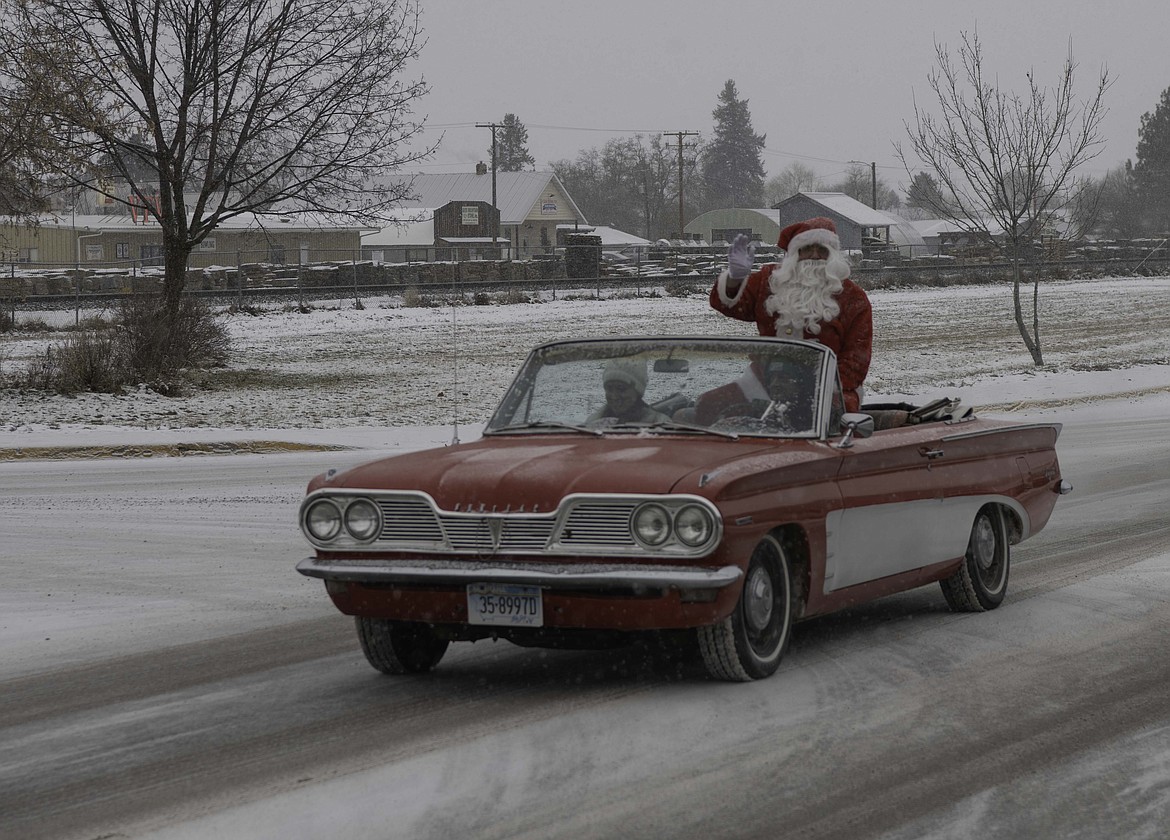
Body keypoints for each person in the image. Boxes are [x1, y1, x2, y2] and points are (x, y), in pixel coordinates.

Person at [710, 217, 872, 412]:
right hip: (763, 382)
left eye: (822, 250)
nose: (814, 256)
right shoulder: (769, 281)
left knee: (817, 420)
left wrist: (814, 389)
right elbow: (729, 305)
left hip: (829, 388)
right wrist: (735, 280)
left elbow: (856, 359)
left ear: (832, 256)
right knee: (708, 407)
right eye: (807, 249)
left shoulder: (852, 297)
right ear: (795, 254)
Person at [693, 355, 817, 431]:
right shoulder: (756, 409)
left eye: (783, 378)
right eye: (772, 378)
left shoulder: (815, 415)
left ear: (800, 384)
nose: (775, 384)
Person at [587, 358, 671, 425]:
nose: (614, 396)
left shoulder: (661, 425)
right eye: (609, 388)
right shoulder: (591, 424)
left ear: (637, 391)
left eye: (621, 389)